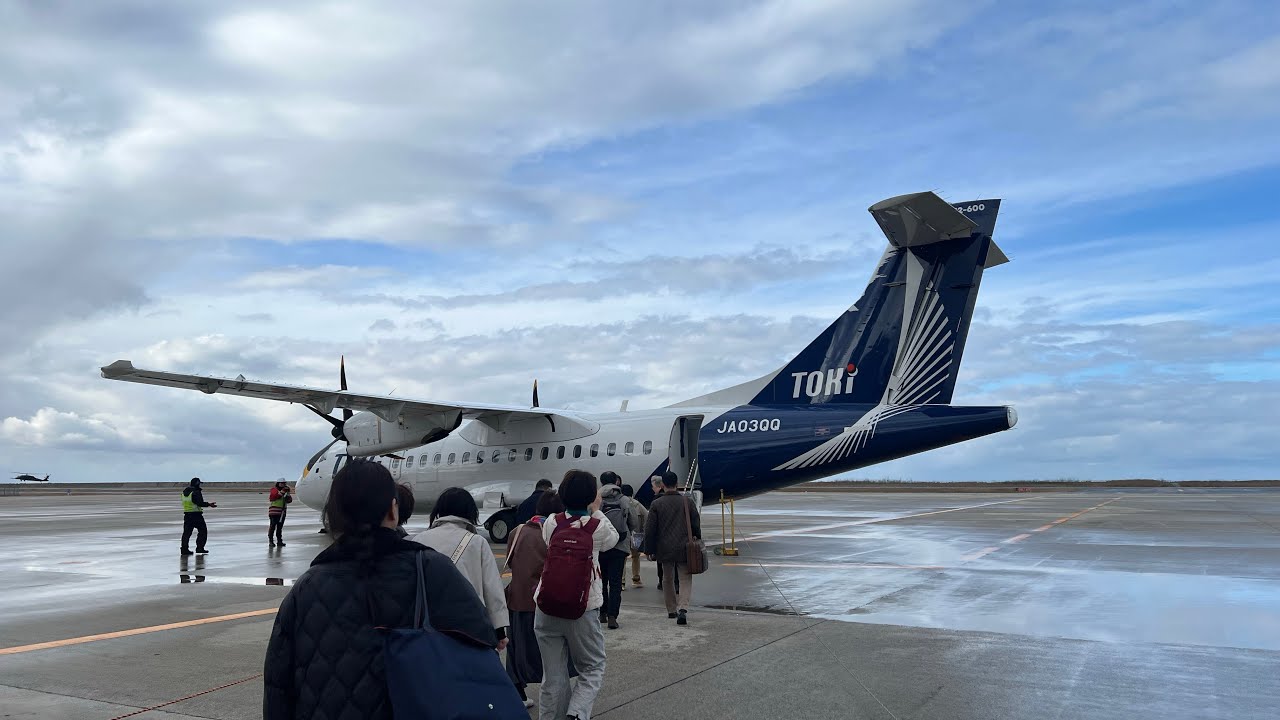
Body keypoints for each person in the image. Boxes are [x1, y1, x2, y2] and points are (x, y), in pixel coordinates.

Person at [263, 461, 497, 719]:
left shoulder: (306, 587)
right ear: (393, 510)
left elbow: (278, 687)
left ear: (333, 516)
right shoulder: (432, 569)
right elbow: (482, 643)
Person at [535, 470, 619, 720]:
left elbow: (547, 540)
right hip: (582, 607)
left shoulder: (551, 522)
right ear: (592, 496)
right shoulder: (598, 526)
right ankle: (575, 715)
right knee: (592, 667)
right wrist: (597, 509)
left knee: (552, 676)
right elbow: (612, 541)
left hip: (546, 604)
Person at [412, 488, 509, 647]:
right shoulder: (477, 542)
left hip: (428, 627)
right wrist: (499, 632)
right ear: (470, 512)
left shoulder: (419, 540)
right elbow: (493, 591)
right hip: (469, 629)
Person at [506, 491, 571, 707]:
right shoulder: (554, 533)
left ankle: (517, 693)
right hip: (545, 601)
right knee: (551, 653)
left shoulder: (517, 532)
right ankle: (555, 697)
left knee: (516, 650)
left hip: (517, 599)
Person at [645, 470, 701, 626]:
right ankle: (683, 608)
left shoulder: (656, 504)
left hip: (664, 547)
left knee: (667, 578)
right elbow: (696, 523)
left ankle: (671, 610)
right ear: (677, 484)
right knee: (685, 578)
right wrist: (697, 537)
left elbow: (650, 529)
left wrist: (649, 549)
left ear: (662, 485)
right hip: (684, 546)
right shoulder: (687, 502)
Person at [596, 471, 637, 629]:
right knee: (615, 583)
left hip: (600, 545)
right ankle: (613, 616)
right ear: (616, 482)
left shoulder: (597, 500)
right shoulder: (624, 499)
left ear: (601, 482)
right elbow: (633, 522)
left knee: (601, 581)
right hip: (619, 546)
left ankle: (602, 613)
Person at [181, 477, 216, 556]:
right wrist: (209, 504)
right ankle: (200, 548)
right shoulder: (196, 492)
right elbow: (199, 503)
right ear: (197, 483)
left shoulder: (184, 492)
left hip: (187, 515)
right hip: (196, 515)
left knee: (186, 533)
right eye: (199, 483)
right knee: (203, 531)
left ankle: (184, 549)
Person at [622, 484, 646, 588]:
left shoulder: (621, 503)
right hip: (637, 534)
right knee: (636, 557)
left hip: (624, 534)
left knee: (622, 558)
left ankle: (621, 582)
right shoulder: (638, 504)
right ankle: (636, 578)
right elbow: (647, 516)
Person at [268, 479, 292, 547]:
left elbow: (289, 500)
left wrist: (287, 494)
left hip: (282, 512)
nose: (283, 484)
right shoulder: (274, 489)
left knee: (279, 527)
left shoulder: (285, 491)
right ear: (278, 483)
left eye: (284, 483)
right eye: (281, 483)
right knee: (272, 526)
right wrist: (282, 492)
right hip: (274, 512)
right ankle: (271, 541)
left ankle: (279, 541)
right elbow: (273, 497)